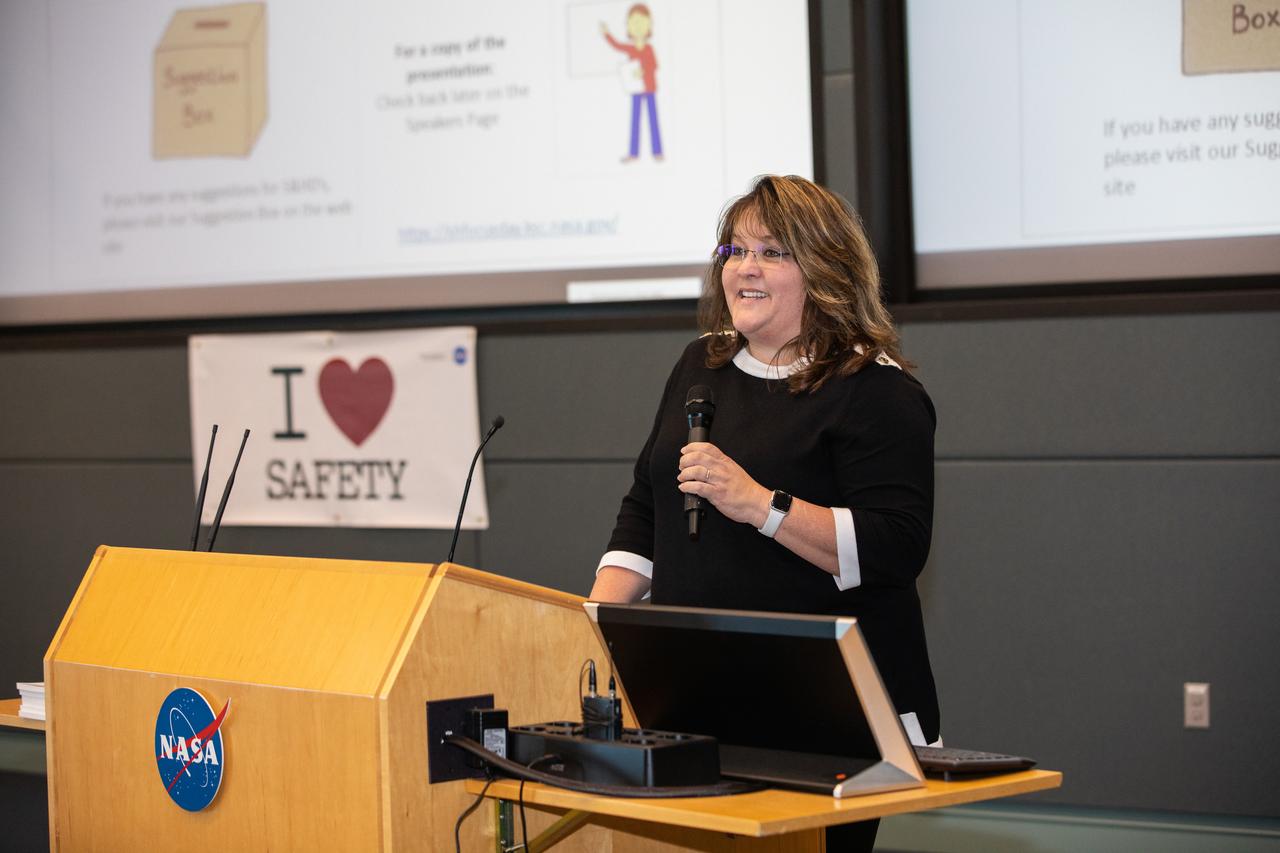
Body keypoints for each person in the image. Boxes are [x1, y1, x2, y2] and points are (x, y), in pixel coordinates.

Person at [589, 174, 940, 851]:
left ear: (825, 269)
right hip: (698, 694)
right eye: (734, 250)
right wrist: (593, 622)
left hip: (826, 713)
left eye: (772, 252)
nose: (745, 267)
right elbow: (647, 504)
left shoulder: (876, 391)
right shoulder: (701, 365)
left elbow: (897, 546)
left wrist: (759, 504)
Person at [601, 4, 662, 161]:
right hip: (636, 88)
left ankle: (657, 151)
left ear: (649, 25)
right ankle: (633, 154)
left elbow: (655, 65)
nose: (637, 27)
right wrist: (607, 34)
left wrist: (643, 70)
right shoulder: (630, 48)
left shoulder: (649, 48)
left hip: (649, 88)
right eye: (633, 23)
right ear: (628, 26)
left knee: (652, 119)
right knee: (635, 121)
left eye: (642, 23)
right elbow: (617, 45)